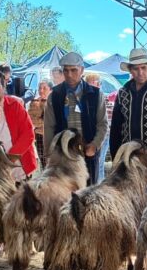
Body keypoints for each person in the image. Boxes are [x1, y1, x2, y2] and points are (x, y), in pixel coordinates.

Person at [110, 48, 147, 197]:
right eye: (136, 68)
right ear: (130, 70)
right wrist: (115, 155)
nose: (140, 72)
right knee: (132, 199)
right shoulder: (123, 92)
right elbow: (116, 126)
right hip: (129, 156)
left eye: (144, 67)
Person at [43, 51, 108, 184]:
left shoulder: (95, 95)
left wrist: (94, 145)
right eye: (65, 71)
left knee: (88, 193)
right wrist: (49, 153)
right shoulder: (54, 95)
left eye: (74, 70)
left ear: (82, 70)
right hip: (62, 154)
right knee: (63, 193)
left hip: (87, 152)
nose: (69, 75)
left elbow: (102, 124)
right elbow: (49, 126)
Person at [27, 80, 52, 167]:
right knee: (43, 162)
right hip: (40, 137)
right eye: (40, 88)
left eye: (44, 88)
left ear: (50, 90)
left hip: (53, 137)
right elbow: (31, 121)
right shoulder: (35, 103)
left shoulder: (56, 103)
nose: (41, 90)